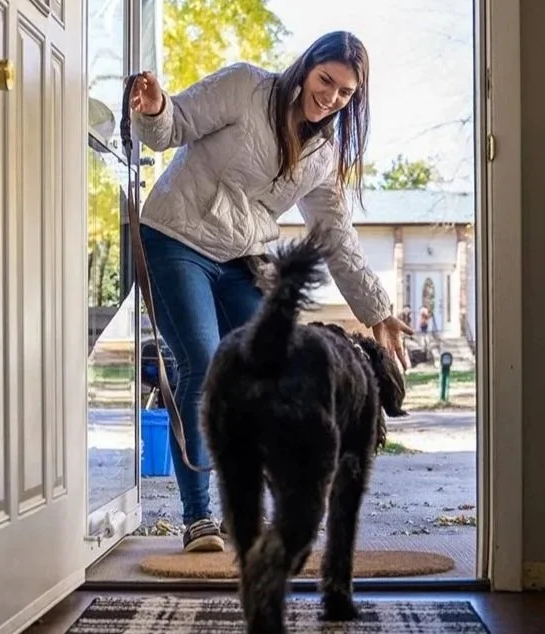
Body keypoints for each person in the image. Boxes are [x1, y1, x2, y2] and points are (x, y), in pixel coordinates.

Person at [130, 31, 414, 553]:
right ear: (307, 66)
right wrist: (155, 108)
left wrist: (378, 311)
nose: (331, 97)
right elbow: (175, 125)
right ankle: (198, 518)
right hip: (176, 238)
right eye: (326, 80)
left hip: (242, 259)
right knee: (201, 359)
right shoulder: (244, 86)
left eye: (346, 92)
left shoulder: (324, 155)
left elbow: (336, 234)